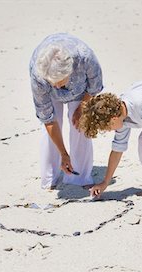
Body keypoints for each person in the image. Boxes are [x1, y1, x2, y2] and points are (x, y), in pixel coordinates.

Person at [29, 33, 103, 189]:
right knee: (52, 130)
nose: (56, 86)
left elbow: (95, 86)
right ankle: (50, 178)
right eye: (52, 82)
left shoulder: (85, 58)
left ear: (69, 72)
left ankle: (80, 178)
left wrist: (83, 106)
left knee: (80, 125)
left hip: (81, 89)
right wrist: (63, 153)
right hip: (48, 91)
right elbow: (48, 118)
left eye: (58, 82)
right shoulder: (39, 75)